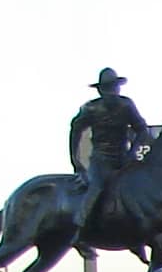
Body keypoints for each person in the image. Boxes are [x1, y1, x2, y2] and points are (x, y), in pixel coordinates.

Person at [64, 69, 151, 250]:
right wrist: (76, 161)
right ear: (101, 91)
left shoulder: (126, 106)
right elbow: (75, 130)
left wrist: (132, 152)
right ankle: (79, 232)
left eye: (114, 88)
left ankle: (137, 235)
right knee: (96, 188)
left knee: (139, 189)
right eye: (107, 88)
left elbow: (142, 129)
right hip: (101, 160)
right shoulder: (91, 108)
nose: (111, 92)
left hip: (122, 159)